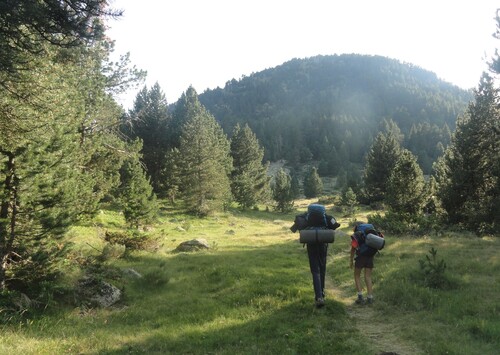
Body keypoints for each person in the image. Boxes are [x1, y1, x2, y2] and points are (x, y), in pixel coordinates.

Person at [291, 204, 340, 308]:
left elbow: (295, 227)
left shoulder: (305, 216)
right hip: (323, 243)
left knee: (315, 270)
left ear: (309, 211)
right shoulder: (326, 217)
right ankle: (322, 294)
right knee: (322, 269)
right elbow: (335, 225)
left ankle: (318, 297)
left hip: (311, 243)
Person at [349, 221, 376, 305]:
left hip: (360, 257)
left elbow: (353, 248)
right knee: (368, 277)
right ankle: (370, 298)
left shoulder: (358, 234)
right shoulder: (370, 233)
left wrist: (351, 260)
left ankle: (360, 297)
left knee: (357, 276)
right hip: (370, 256)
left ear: (357, 226)